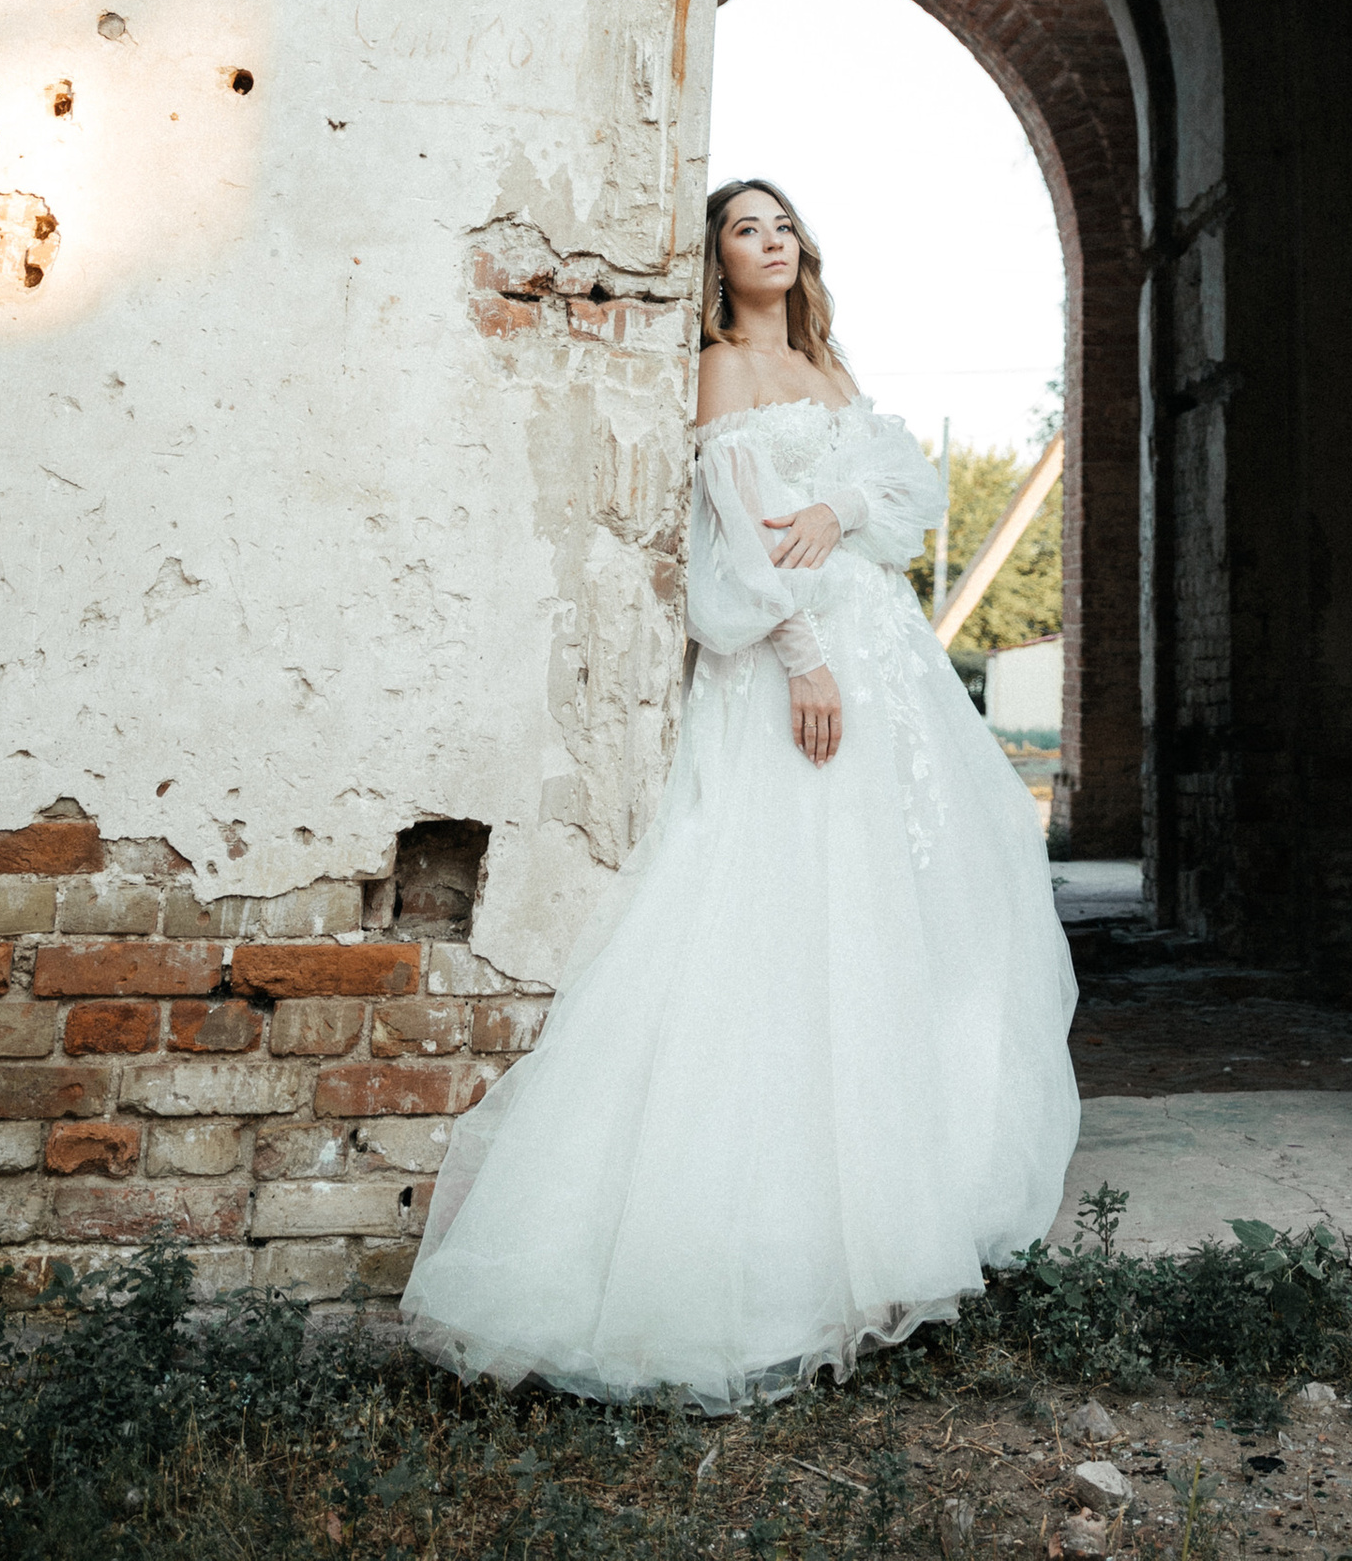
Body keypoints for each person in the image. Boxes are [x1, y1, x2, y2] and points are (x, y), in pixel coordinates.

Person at [402, 176, 1080, 1407]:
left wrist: (845, 503)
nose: (772, 241)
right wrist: (801, 660)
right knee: (775, 920)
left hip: (889, 665)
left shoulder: (828, 377)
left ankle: (891, 1214)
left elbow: (902, 499)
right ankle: (760, 1250)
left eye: (784, 225)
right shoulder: (718, 369)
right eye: (745, 228)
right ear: (717, 260)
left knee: (897, 916)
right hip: (794, 666)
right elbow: (724, 536)